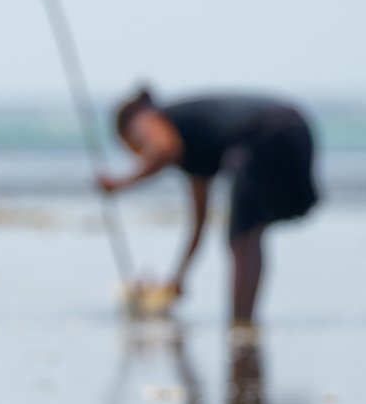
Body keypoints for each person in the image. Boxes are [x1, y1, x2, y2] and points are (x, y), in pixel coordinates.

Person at [97, 89, 320, 327]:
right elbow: (198, 223)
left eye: (132, 146)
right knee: (250, 231)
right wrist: (179, 277)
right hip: (296, 127)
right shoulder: (197, 148)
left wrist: (121, 183)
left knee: (242, 237)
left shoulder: (143, 118)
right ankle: (245, 321)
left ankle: (241, 322)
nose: (137, 151)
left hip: (263, 133)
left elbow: (164, 148)